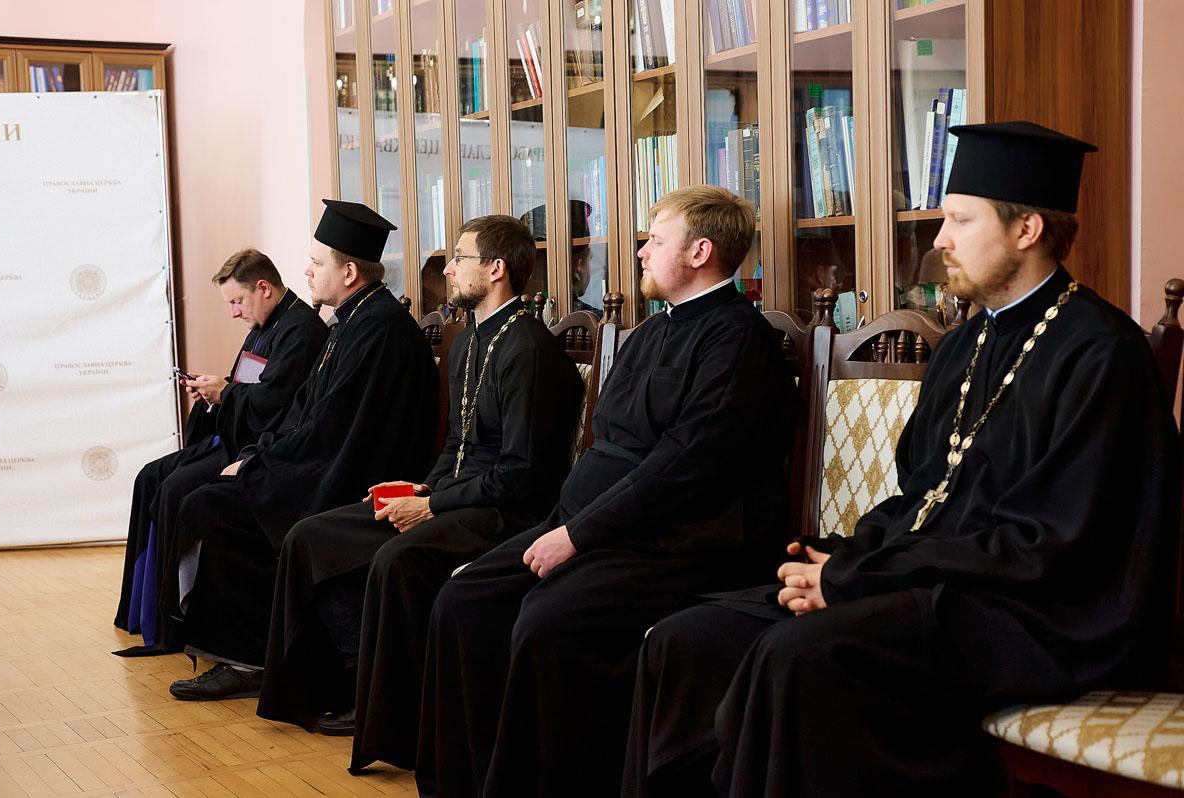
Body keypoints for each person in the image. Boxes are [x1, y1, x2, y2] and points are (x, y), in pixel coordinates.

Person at [622, 121, 1182, 797]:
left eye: (960, 220)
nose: (940, 239)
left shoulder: (1102, 354)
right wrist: (850, 560)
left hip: (1041, 616)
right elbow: (924, 495)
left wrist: (859, 580)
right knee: (689, 638)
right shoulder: (963, 344)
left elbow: (1047, 546)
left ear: (1027, 230)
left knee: (798, 655)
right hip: (936, 584)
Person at [417, 186, 801, 796]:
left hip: (679, 542)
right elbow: (605, 443)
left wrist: (577, 534)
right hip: (594, 523)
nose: (641, 252)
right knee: (463, 599)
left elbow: (684, 468)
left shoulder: (738, 341)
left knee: (548, 622)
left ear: (700, 252)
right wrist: (565, 524)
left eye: (655, 240)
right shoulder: (647, 334)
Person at [254, 215, 584, 764]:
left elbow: (521, 473)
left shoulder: (527, 348)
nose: (447, 269)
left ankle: (396, 719)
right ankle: (334, 687)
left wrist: (431, 504)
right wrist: (420, 486)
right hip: (454, 495)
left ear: (496, 269)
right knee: (311, 535)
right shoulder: (468, 340)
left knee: (397, 560)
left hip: (504, 512)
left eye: (460, 258)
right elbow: (457, 443)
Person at [166, 200, 440, 700]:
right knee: (209, 497)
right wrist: (257, 457)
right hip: (325, 460)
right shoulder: (351, 322)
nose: (307, 272)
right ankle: (246, 652)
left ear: (349, 273)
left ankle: (249, 658)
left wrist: (262, 467)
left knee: (214, 506)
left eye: (317, 263)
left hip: (355, 475)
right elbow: (304, 412)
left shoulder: (379, 330)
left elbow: (336, 432)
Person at [114, 249, 327, 654]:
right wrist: (215, 392)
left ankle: (177, 621)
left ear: (263, 288)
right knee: (149, 477)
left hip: (258, 448)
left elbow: (275, 405)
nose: (233, 313)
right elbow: (247, 386)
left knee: (176, 489)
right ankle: (143, 612)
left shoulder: (300, 331)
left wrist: (225, 394)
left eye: (237, 301)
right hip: (233, 434)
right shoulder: (263, 327)